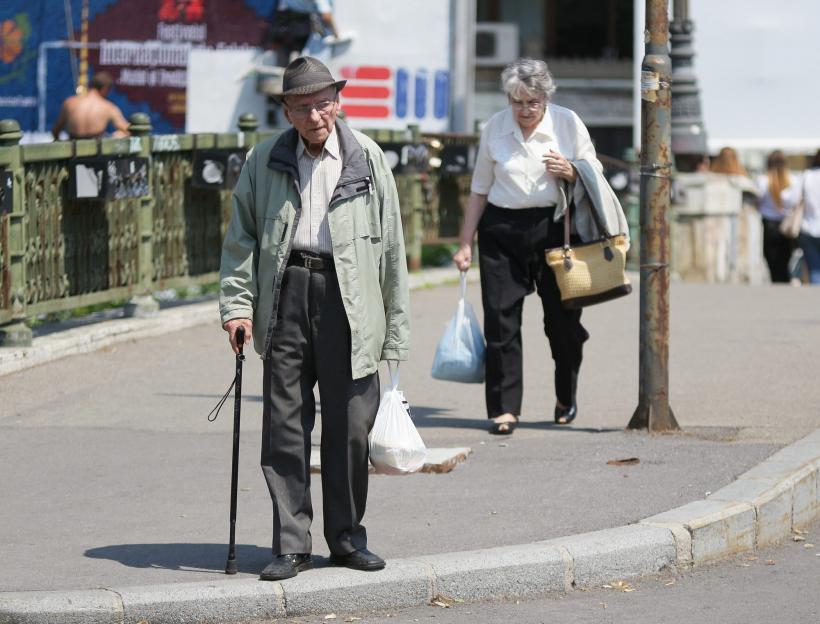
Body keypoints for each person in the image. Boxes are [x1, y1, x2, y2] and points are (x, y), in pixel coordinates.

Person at [219, 56, 409, 581]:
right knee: (284, 424)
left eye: (324, 103)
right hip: (285, 293)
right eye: (303, 107)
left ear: (338, 102)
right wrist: (237, 306)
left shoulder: (366, 158)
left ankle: (346, 539)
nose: (316, 115)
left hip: (349, 299)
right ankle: (292, 543)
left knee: (350, 425)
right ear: (286, 110)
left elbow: (392, 246)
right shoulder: (264, 160)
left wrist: (395, 329)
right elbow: (240, 241)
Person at [453, 58, 612, 435]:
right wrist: (464, 244)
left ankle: (565, 394)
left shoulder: (567, 123)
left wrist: (571, 170)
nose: (524, 110)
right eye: (517, 102)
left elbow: (595, 172)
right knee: (501, 320)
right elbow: (479, 190)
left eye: (532, 102)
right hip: (501, 229)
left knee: (562, 325)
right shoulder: (495, 127)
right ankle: (504, 408)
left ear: (546, 98)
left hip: (555, 228)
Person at [755, 150, 800, 283]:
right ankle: (784, 281)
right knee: (785, 258)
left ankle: (777, 281)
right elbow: (794, 202)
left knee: (771, 259)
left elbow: (758, 200)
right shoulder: (793, 180)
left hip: (769, 224)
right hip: (787, 225)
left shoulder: (762, 180)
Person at [51, 72, 130, 140]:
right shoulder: (108, 107)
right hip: (97, 152)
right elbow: (128, 130)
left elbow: (55, 131)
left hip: (73, 150)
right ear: (105, 89)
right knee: (119, 134)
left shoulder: (69, 102)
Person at [798, 149, 820, 284]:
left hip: (809, 227)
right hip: (810, 228)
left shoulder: (807, 176)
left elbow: (790, 198)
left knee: (814, 269)